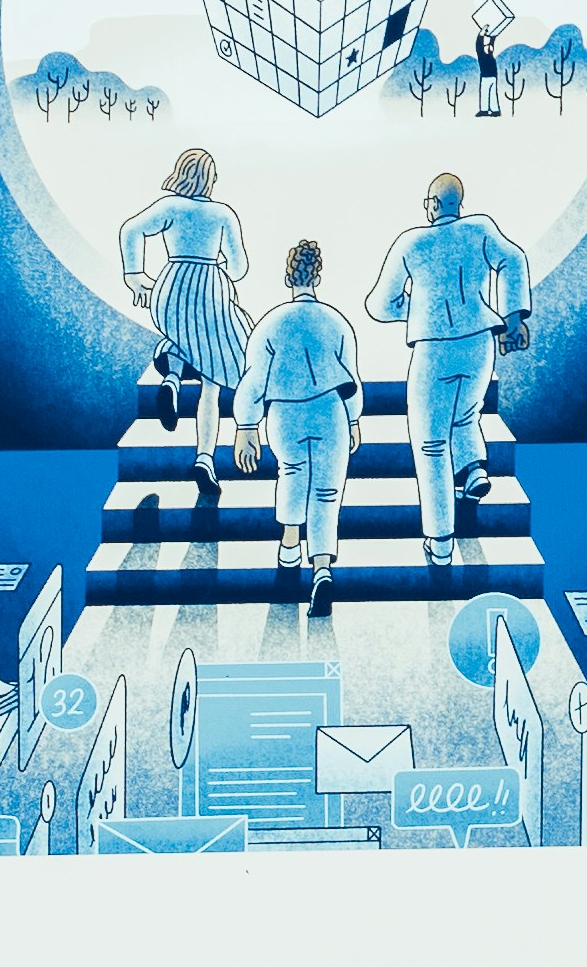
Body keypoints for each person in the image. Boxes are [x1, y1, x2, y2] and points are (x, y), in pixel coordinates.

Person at [373, 172, 532, 544]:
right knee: (464, 414)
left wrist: (417, 310)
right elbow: (514, 259)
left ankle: (441, 539)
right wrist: (512, 318)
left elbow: (381, 304)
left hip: (433, 347)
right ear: (459, 204)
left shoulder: (411, 242)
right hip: (479, 341)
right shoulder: (480, 229)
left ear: (432, 204)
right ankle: (474, 469)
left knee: (430, 445)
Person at [246, 241, 365, 631]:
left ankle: (288, 549)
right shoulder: (336, 322)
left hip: (285, 411)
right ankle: (322, 570)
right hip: (329, 408)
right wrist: (353, 420)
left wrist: (246, 426)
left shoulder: (270, 323)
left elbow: (254, 381)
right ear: (317, 276)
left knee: (292, 475)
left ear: (288, 276)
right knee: (328, 492)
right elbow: (352, 379)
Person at [121, 147, 249, 433]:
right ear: (209, 179)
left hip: (170, 291)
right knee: (218, 354)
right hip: (210, 290)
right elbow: (240, 268)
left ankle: (172, 380)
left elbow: (131, 229)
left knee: (186, 335)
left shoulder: (170, 207)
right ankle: (204, 457)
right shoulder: (222, 214)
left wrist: (135, 275)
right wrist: (219, 271)